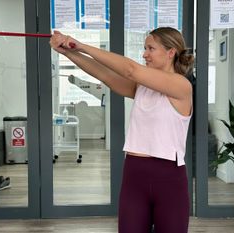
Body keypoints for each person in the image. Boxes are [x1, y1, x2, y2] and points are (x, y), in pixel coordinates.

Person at [49, 27, 194, 233]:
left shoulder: (182, 86)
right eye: (145, 48)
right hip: (134, 174)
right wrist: (69, 52)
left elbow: (130, 69)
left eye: (150, 48)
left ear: (171, 52)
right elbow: (104, 74)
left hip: (169, 178)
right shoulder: (141, 87)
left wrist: (80, 44)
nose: (145, 54)